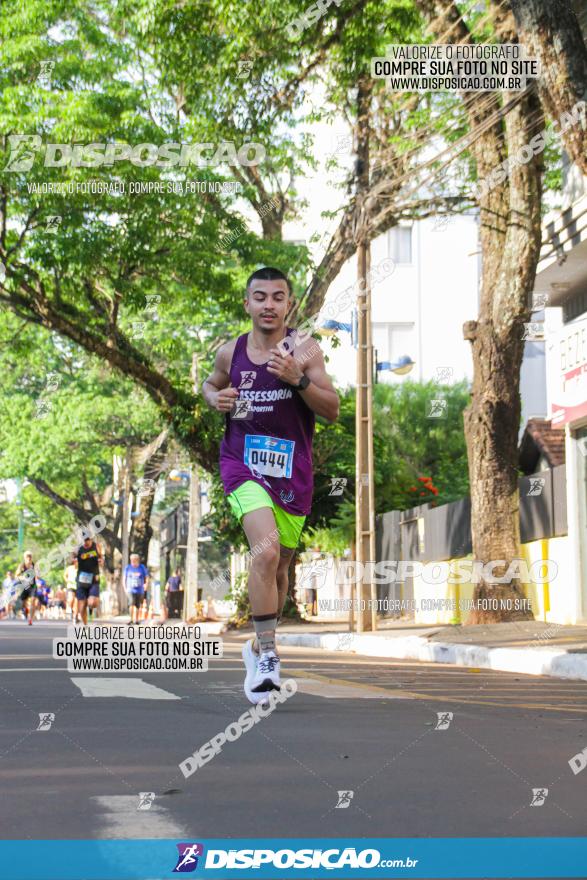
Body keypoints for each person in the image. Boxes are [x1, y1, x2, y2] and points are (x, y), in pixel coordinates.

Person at [202, 266, 339, 703]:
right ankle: (268, 656)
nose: (269, 305)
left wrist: (296, 380)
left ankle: (259, 644)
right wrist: (214, 398)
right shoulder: (231, 352)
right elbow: (210, 384)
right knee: (266, 549)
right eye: (260, 297)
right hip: (242, 465)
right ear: (247, 304)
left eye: (277, 297)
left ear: (289, 304)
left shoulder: (305, 349)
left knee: (279, 568)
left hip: (291, 472)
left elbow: (332, 409)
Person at [76, 535, 103, 625]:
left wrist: (101, 558)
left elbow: (101, 560)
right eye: (84, 540)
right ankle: (85, 624)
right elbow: (79, 558)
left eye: (87, 540)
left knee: (92, 603)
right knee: (82, 606)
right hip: (81, 580)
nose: (85, 542)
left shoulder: (97, 547)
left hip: (94, 579)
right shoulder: (79, 549)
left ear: (91, 539)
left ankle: (91, 605)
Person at [124, 553, 150, 624]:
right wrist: (125, 587)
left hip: (140, 590)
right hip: (130, 589)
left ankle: (137, 619)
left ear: (137, 560)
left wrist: (146, 585)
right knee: (131, 603)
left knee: (138, 605)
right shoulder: (128, 568)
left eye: (134, 560)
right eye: (131, 560)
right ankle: (131, 619)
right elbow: (124, 578)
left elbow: (147, 577)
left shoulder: (142, 567)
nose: (132, 562)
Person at [15, 551, 38, 625]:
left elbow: (38, 574)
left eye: (30, 556)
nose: (29, 558)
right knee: (23, 603)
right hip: (24, 586)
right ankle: (25, 610)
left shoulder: (34, 565)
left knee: (33, 601)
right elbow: (16, 576)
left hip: (32, 586)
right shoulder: (21, 566)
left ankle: (30, 619)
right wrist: (23, 578)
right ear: (24, 558)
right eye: (27, 557)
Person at [64, 556, 78, 621]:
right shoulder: (69, 568)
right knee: (71, 599)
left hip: (78, 587)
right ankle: (72, 610)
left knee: (76, 602)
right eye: (76, 561)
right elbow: (65, 575)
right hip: (70, 586)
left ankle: (75, 615)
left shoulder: (80, 569)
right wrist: (67, 580)